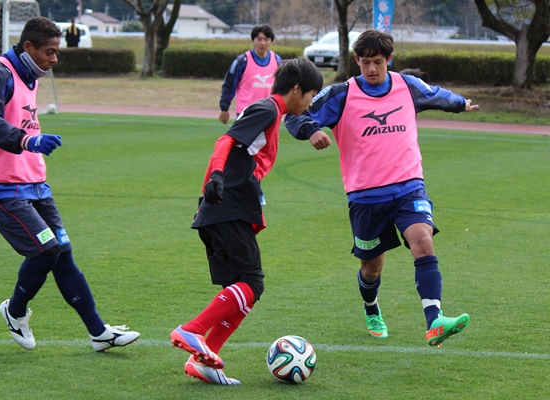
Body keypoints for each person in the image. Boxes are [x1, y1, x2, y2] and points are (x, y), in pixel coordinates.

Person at [285, 30, 478, 347]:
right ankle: (371, 307)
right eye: (365, 63)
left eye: (377, 62)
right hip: (365, 196)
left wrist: (460, 104)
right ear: (356, 61)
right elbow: (297, 114)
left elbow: (436, 94)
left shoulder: (406, 85)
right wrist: (310, 132)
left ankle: (434, 322)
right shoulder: (341, 95)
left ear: (389, 60)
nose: (371, 69)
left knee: (423, 241)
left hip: (408, 187)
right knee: (371, 268)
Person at [0, 17, 140, 352]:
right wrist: (28, 142)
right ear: (28, 47)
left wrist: (33, 150)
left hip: (35, 183)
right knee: (45, 249)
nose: (54, 59)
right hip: (1, 186)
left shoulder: (29, 75)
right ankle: (14, 310)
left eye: (57, 52)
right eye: (50, 52)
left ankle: (98, 332)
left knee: (62, 252)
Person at [170, 57, 323, 385]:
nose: (310, 102)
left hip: (224, 208)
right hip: (228, 207)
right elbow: (225, 140)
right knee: (252, 283)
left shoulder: (274, 114)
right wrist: (217, 175)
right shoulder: (267, 109)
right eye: (310, 95)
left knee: (242, 290)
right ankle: (192, 330)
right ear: (296, 89)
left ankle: (204, 361)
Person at [218, 24, 282, 206]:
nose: (262, 43)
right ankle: (253, 192)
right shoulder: (242, 61)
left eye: (266, 39)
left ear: (271, 41)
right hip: (246, 118)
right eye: (259, 39)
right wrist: (224, 107)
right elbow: (229, 84)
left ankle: (253, 190)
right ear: (253, 40)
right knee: (244, 156)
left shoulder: (276, 60)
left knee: (262, 156)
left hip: (268, 117)